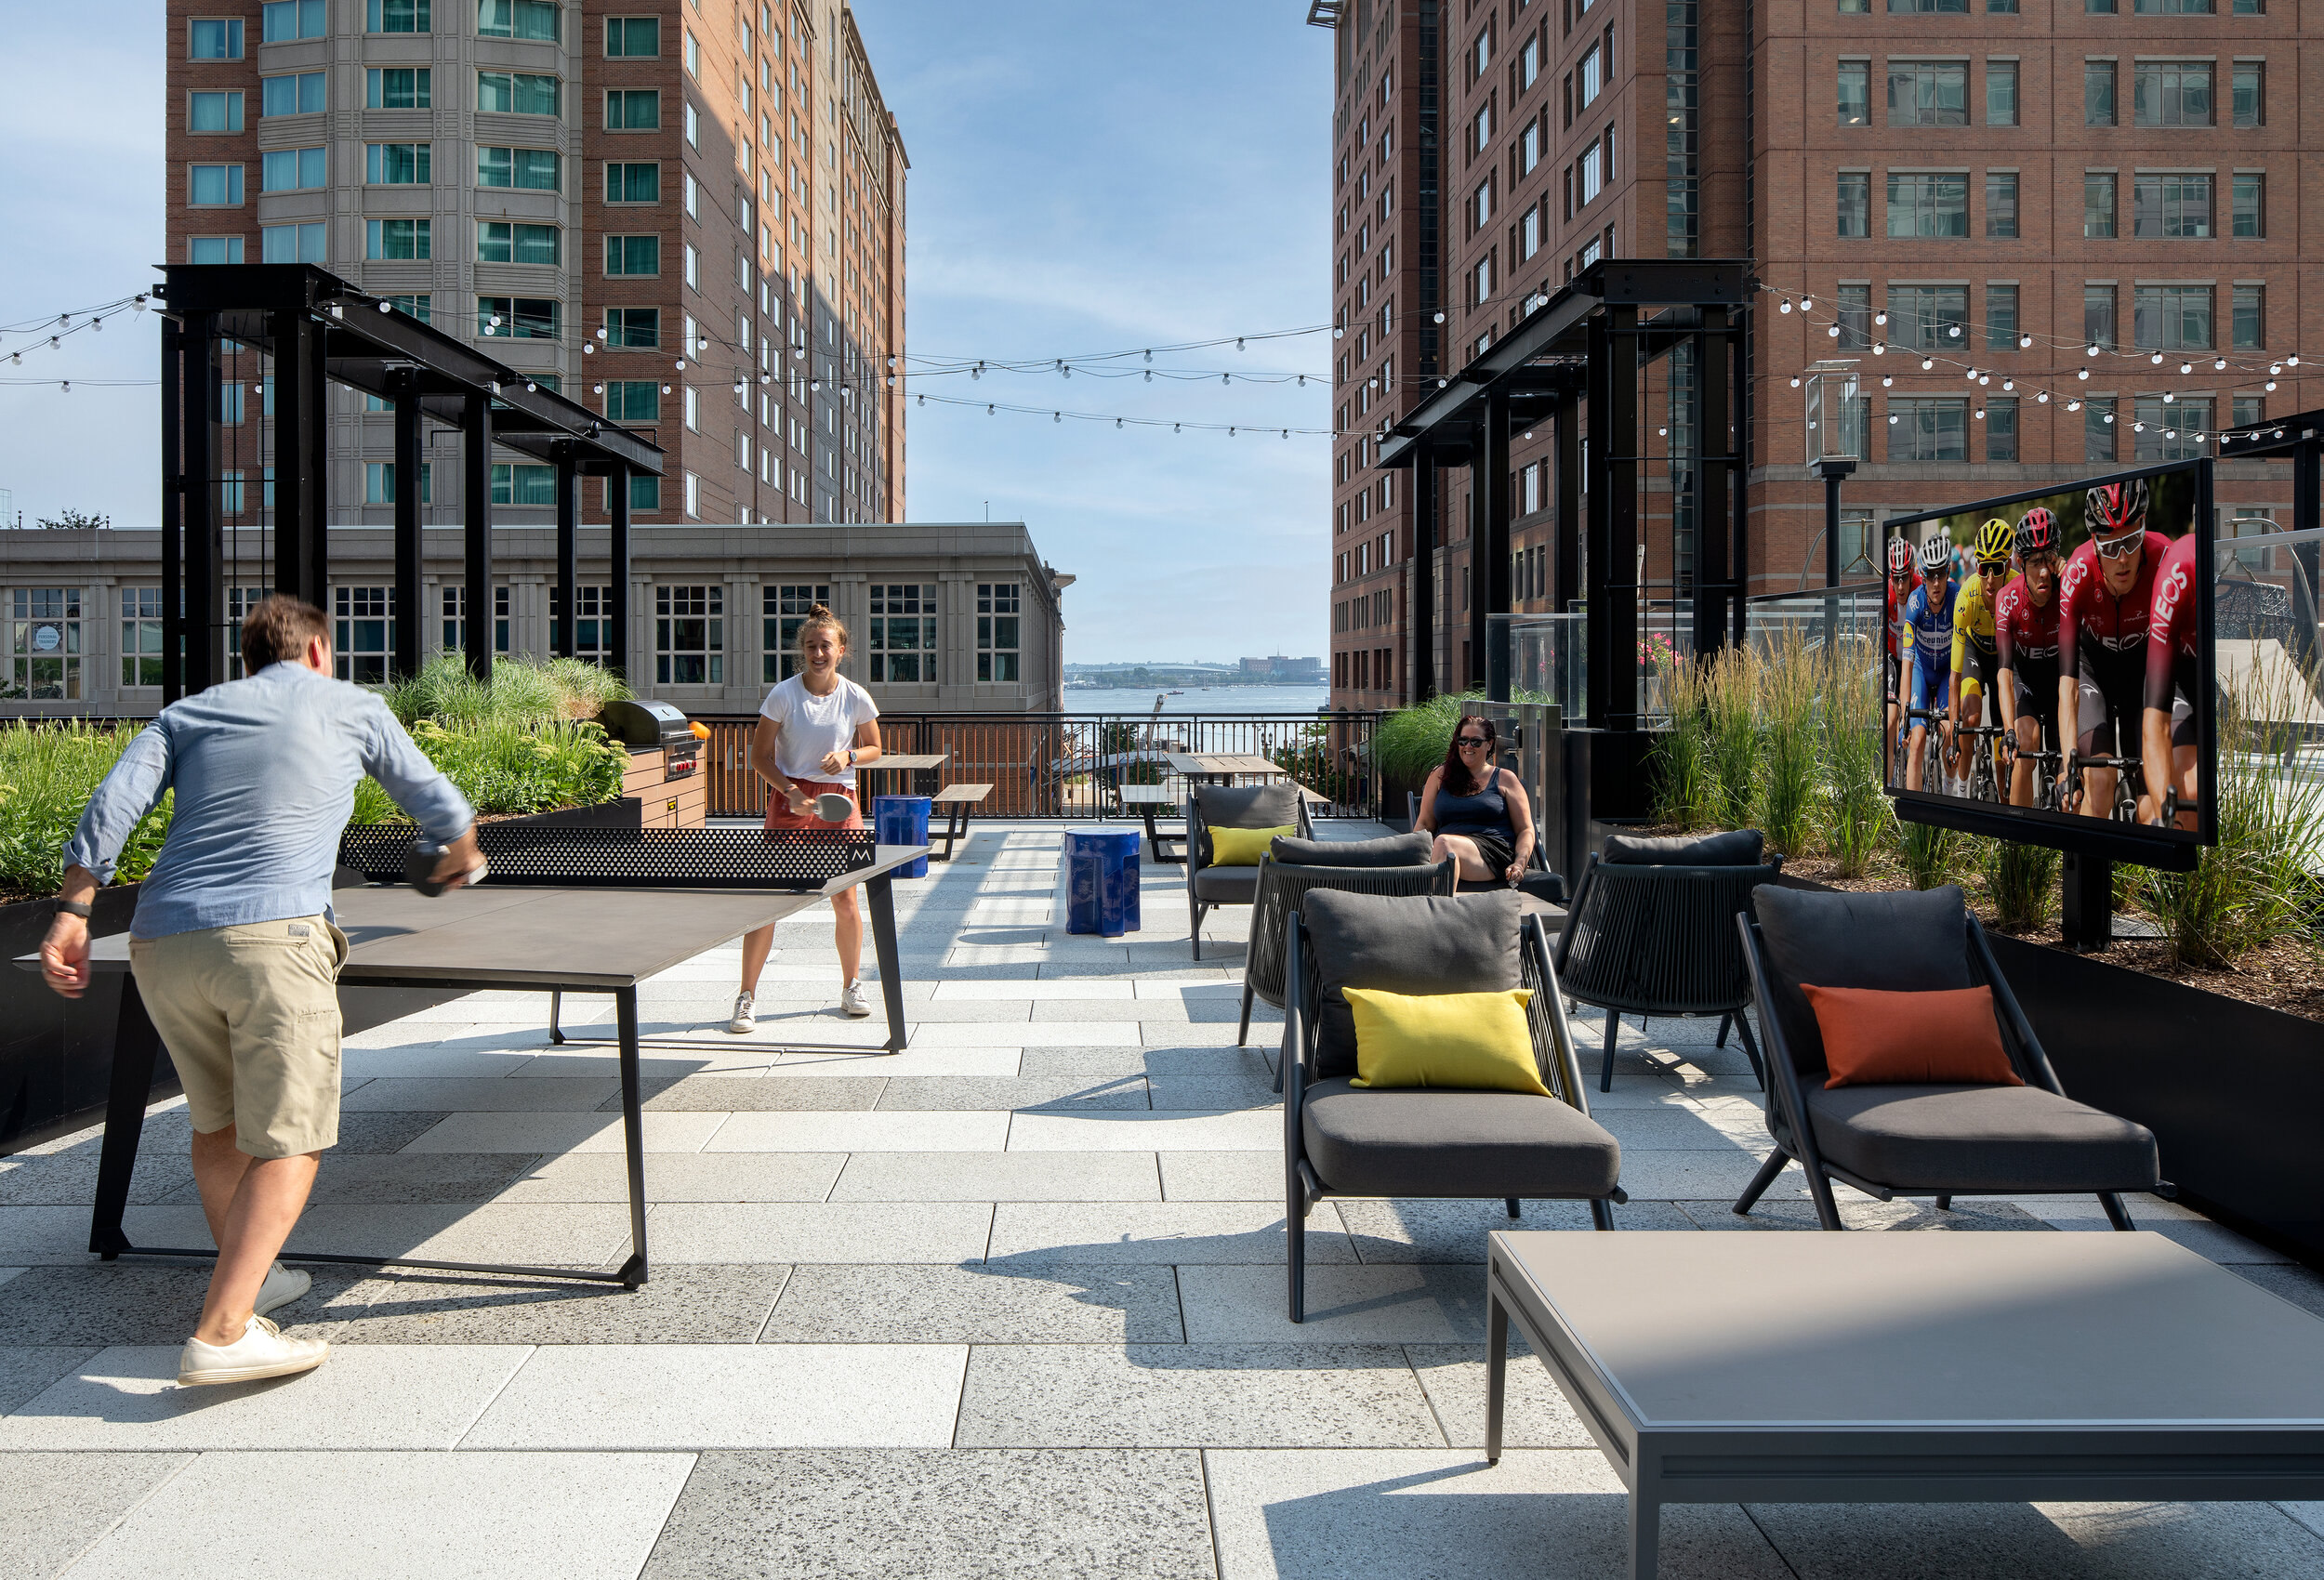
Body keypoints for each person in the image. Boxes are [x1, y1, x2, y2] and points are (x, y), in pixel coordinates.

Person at [42, 595, 481, 1388]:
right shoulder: (351, 703)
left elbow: (113, 807)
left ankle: (255, 1277)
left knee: (223, 1122)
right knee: (292, 1136)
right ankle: (223, 1331)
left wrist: (74, 912)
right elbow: (441, 807)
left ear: (249, 659)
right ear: (316, 651)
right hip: (273, 940)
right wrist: (459, 854)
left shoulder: (187, 714)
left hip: (162, 942)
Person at [730, 602, 881, 1032]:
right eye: (811, 646)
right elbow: (759, 757)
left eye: (826, 646)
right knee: (770, 903)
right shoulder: (783, 694)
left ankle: (853, 985)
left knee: (846, 899)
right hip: (789, 799)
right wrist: (792, 792)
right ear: (803, 651)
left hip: (840, 799)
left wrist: (849, 755)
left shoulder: (855, 696)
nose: (818, 653)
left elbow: (875, 748)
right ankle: (746, 998)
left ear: (841, 649)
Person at [2057, 478, 2172, 821]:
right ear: (2094, 545)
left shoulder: (2164, 557)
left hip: (2141, 673)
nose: (2122, 560)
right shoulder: (2077, 573)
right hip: (2095, 670)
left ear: (2145, 530)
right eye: (2109, 548)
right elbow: (2068, 687)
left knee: (2151, 792)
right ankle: (2087, 869)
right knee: (2100, 779)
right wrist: (2069, 766)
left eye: (2131, 542)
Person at [1415, 714, 1535, 889]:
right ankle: (1437, 908)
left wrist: (1520, 863)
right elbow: (1424, 823)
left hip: (1492, 853)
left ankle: (1436, 912)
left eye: (1475, 742)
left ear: (1489, 744)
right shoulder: (1440, 775)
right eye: (1462, 740)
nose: (1468, 746)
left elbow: (1525, 829)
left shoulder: (1505, 778)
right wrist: (1412, 855)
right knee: (1442, 846)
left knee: (1444, 844)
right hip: (1448, 851)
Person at [1994, 507, 2065, 808]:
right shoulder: (2007, 599)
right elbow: (2004, 673)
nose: (2045, 571)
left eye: (2049, 559)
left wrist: (2071, 572)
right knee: (2025, 744)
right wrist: (2008, 730)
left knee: (2068, 763)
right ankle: (2019, 844)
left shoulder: (2067, 589)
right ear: (2020, 563)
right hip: (2028, 684)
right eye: (2036, 562)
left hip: (2061, 682)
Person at [1946, 517, 2015, 797]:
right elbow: (1955, 677)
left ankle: (2004, 806)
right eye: (1984, 567)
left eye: (1996, 569)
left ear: (2007, 567)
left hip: (2001, 658)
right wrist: (1953, 732)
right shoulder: (1966, 597)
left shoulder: (2015, 590)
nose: (1989, 579)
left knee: (2002, 737)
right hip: (1975, 653)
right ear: (1977, 566)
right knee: (1971, 719)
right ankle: (1962, 791)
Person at [2142, 530, 2203, 830]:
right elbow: (2156, 723)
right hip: (2181, 673)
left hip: (2223, 677)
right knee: (2190, 789)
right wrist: (2164, 821)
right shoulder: (2176, 574)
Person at [1898, 533, 1958, 793]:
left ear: (1948, 572)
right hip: (1922, 670)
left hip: (1946, 672)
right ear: (1922, 576)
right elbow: (1907, 665)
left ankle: (1949, 791)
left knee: (1947, 732)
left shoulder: (1958, 598)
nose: (1936, 583)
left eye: (1941, 574)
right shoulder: (1914, 603)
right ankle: (1913, 824)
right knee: (1918, 740)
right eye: (1930, 576)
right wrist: (1904, 714)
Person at [1882, 534, 1919, 785]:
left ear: (1912, 573)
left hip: (1916, 658)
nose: (1901, 585)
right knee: (1891, 719)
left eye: (1905, 577)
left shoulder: (1920, 589)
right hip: (1893, 657)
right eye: (1896, 578)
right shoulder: (1887, 595)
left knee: (1916, 720)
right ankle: (1890, 782)